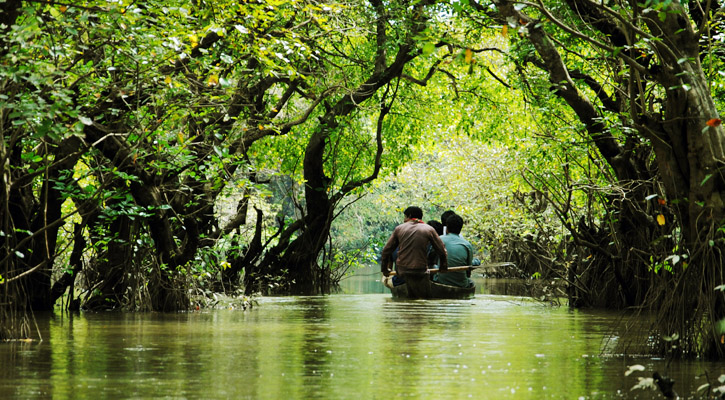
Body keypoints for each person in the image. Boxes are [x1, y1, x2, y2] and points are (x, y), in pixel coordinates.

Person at [381, 206, 448, 294]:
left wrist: (385, 270)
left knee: (386, 279)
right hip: (420, 272)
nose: (404, 220)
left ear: (409, 216)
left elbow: (386, 251)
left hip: (402, 273)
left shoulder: (399, 229)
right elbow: (442, 251)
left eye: (405, 217)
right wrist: (443, 266)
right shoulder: (429, 229)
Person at [434, 214, 474, 288]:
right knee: (471, 282)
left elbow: (432, 259)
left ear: (447, 227)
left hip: (440, 281)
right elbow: (469, 270)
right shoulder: (467, 244)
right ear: (461, 228)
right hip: (461, 284)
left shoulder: (439, 240)